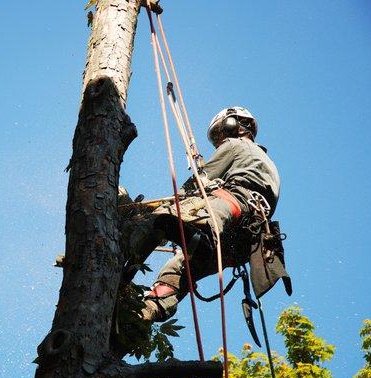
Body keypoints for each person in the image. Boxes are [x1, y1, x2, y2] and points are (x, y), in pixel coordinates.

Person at [120, 106, 282, 322]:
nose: (219, 139)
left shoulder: (234, 145)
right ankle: (147, 312)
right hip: (243, 241)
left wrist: (148, 210)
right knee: (179, 270)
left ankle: (116, 258)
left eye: (220, 132)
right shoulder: (265, 160)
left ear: (236, 125)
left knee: (159, 219)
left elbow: (197, 183)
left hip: (228, 206)